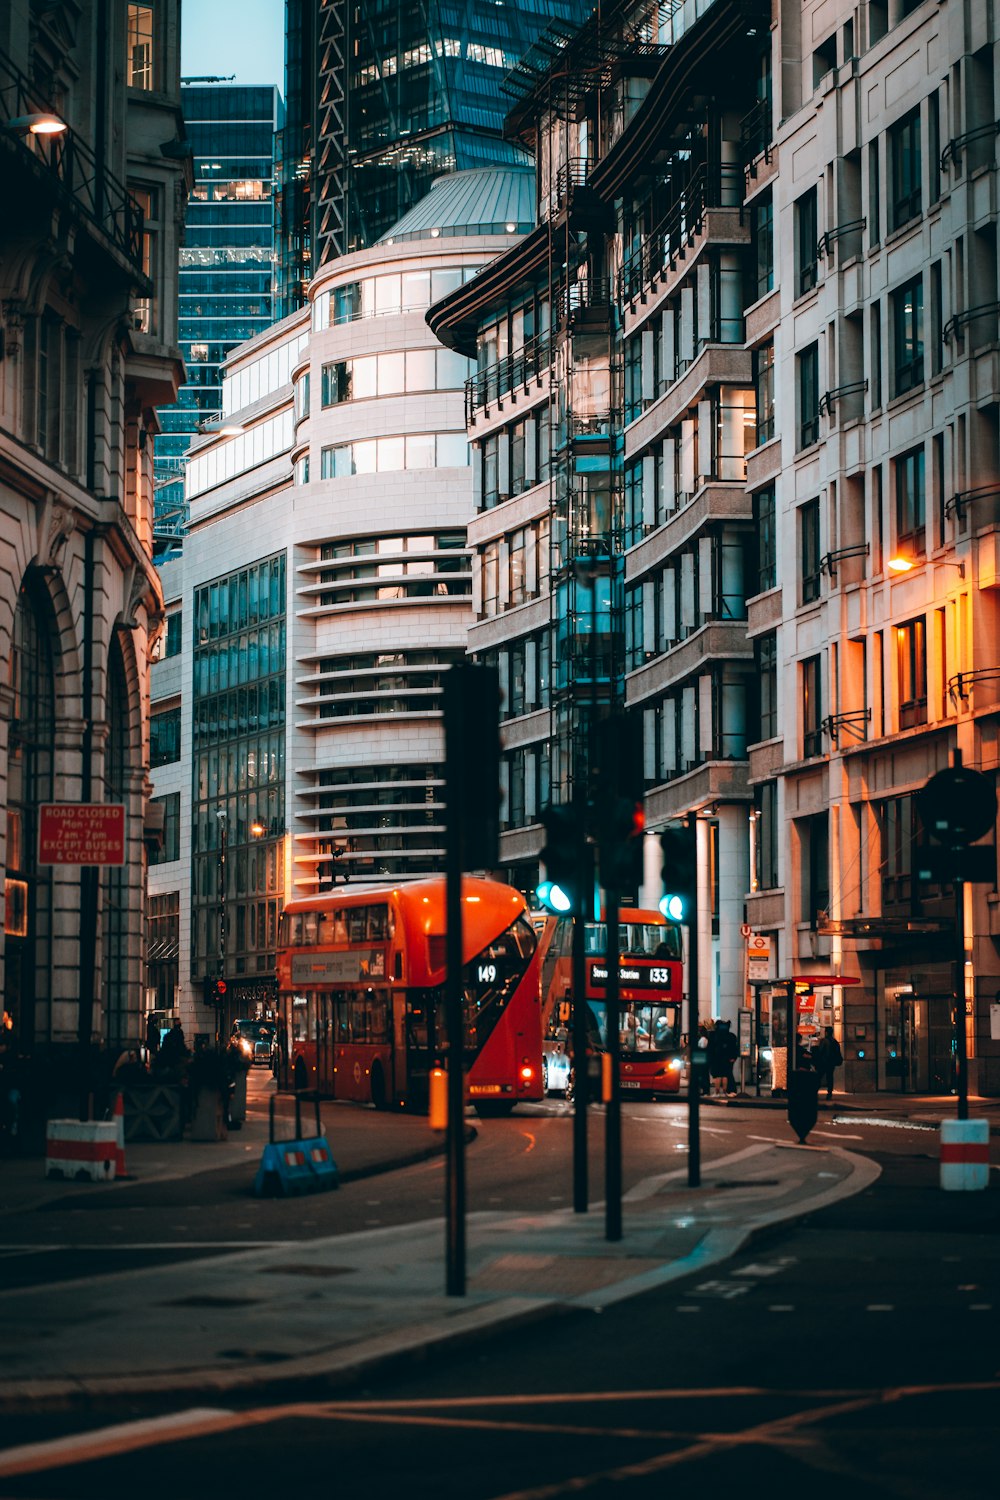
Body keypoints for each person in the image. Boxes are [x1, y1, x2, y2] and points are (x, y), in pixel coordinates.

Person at [813, 1025, 843, 1099]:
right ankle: (829, 1093)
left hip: (823, 1062)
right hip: (831, 1063)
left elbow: (820, 1051)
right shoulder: (835, 1042)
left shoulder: (824, 1041)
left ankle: (814, 1092)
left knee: (819, 1077)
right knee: (830, 1077)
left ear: (826, 1032)